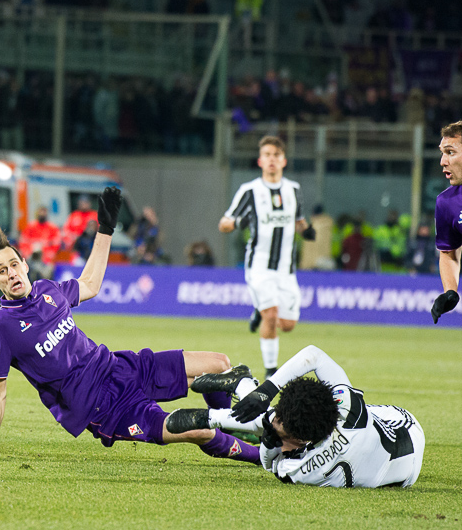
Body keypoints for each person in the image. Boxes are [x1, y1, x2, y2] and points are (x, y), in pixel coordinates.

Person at [0, 189, 260, 465]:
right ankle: (262, 457)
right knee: (199, 429)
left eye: (13, 265)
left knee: (220, 365)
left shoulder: (48, 290)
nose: (11, 274)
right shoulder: (2, 326)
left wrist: (106, 228)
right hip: (102, 407)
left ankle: (240, 430)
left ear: (24, 263)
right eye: (1, 271)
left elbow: (90, 284)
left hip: (121, 367)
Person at [167, 345, 425, 488]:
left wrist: (268, 443)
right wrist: (268, 390)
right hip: (402, 425)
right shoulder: (349, 409)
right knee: (273, 423)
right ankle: (225, 405)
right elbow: (315, 355)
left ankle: (237, 390)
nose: (274, 418)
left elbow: (267, 460)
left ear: (301, 441)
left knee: (270, 425)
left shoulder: (308, 472)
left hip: (393, 460)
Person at [219, 135, 315, 379]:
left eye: (276, 155)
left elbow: (299, 220)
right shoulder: (250, 191)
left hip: (286, 270)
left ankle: (257, 311)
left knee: (287, 325)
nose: (272, 160)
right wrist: (238, 222)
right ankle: (271, 371)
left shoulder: (293, 190)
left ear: (284, 161)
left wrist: (306, 230)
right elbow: (224, 223)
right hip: (259, 266)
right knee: (271, 316)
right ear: (260, 161)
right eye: (267, 155)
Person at [432, 120, 462, 323]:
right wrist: (450, 291)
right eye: (442, 153)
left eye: (450, 152)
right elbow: (449, 252)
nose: (443, 161)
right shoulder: (447, 203)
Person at [18, 205, 61, 280]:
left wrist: (48, 255)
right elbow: (23, 242)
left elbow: (56, 244)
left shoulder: (52, 228)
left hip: (46, 259)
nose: (42, 214)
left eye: (44, 212)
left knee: (47, 272)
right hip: (32, 258)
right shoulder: (31, 226)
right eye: (40, 212)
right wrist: (28, 253)